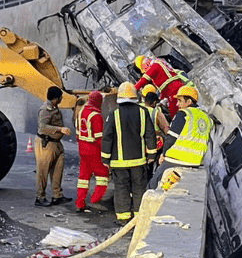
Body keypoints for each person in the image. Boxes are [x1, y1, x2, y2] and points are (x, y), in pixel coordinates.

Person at [100, 81, 156, 224]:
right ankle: (139, 218)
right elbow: (150, 135)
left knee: (121, 188)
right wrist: (151, 155)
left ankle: (123, 219)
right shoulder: (143, 113)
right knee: (139, 188)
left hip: (119, 162)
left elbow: (107, 137)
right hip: (139, 161)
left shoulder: (114, 114)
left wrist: (105, 159)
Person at [149, 84, 213, 189]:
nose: (177, 104)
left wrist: (163, 154)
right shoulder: (207, 118)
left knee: (154, 184)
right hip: (196, 162)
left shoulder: (183, 114)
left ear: (189, 102)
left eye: (180, 101)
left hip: (176, 159)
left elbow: (171, 138)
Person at [35, 85, 70, 207]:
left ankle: (57, 195)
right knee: (42, 172)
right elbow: (43, 127)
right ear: (56, 98)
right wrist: (60, 129)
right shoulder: (45, 109)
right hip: (46, 144)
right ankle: (40, 197)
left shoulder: (54, 107)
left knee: (57, 170)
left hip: (56, 144)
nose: (61, 99)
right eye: (60, 97)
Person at [75, 90, 109, 214]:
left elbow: (78, 133)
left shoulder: (81, 112)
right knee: (103, 175)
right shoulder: (95, 116)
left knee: (83, 178)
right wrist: (106, 153)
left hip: (82, 149)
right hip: (93, 150)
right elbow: (99, 138)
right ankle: (95, 200)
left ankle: (80, 203)